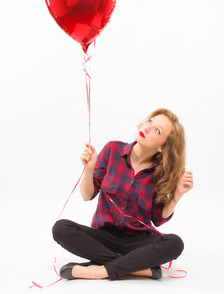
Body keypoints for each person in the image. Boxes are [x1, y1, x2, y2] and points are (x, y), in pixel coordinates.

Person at [52, 108, 193, 281]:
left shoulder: (160, 173)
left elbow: (157, 219)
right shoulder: (112, 150)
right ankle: (139, 269)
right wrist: (89, 169)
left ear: (163, 147)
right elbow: (87, 195)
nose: (148, 127)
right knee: (61, 228)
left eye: (157, 130)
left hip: (138, 243)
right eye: (150, 121)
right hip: (103, 239)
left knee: (175, 243)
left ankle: (100, 271)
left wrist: (177, 195)